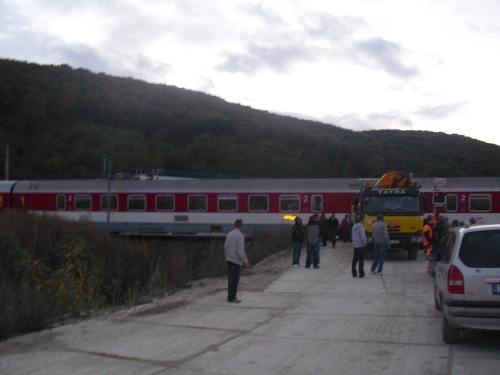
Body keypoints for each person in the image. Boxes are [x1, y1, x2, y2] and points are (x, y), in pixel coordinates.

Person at [224, 219, 250, 303]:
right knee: (235, 280)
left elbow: (225, 246)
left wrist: (227, 255)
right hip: (236, 261)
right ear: (241, 225)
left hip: (228, 259)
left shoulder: (229, 234)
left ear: (234, 225)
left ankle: (229, 296)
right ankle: (232, 297)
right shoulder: (240, 236)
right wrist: (245, 260)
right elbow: (240, 250)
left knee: (230, 279)